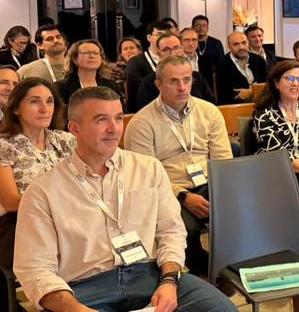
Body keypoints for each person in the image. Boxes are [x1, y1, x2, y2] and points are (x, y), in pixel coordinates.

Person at [13, 86, 237, 312]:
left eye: (118, 118)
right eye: (101, 120)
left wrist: (169, 281)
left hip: (149, 275)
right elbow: (35, 268)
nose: (114, 129)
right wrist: (76, 309)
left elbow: (171, 231)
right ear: (74, 128)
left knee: (222, 309)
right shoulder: (43, 191)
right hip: (82, 288)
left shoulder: (148, 168)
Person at [124, 56, 233, 278]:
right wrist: (182, 196)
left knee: (239, 210)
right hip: (168, 190)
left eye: (187, 79)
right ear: (158, 84)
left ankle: (230, 266)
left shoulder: (209, 111)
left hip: (210, 182)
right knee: (185, 226)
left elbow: (223, 159)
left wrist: (222, 192)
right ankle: (200, 272)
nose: (183, 87)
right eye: (174, 81)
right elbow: (145, 177)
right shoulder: (142, 123)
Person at [0, 78, 74, 268]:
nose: (44, 108)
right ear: (16, 109)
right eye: (34, 101)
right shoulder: (4, 146)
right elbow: (10, 202)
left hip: (71, 216)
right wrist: (58, 205)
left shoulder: (66, 140)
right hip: (22, 222)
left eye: (49, 101)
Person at [252, 60, 299, 206]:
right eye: (289, 79)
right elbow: (278, 152)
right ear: (276, 83)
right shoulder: (264, 115)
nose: (295, 83)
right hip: (278, 171)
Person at [137, 33, 215, 107]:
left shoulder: (198, 77)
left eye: (176, 48)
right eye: (166, 49)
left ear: (182, 49)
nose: (172, 53)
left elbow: (212, 106)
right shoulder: (148, 83)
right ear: (159, 53)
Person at [55, 40, 124, 106]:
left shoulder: (111, 86)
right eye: (86, 53)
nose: (92, 56)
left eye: (96, 53)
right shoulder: (61, 88)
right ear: (75, 59)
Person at [125, 20, 174, 112]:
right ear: (149, 37)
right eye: (159, 34)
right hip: (142, 111)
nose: (163, 38)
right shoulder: (135, 62)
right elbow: (140, 90)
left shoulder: (173, 61)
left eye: (166, 35)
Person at [215, 32, 267, 105]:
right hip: (237, 107)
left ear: (248, 43)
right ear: (229, 47)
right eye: (236, 44)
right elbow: (230, 95)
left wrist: (251, 91)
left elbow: (268, 85)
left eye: (244, 43)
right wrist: (256, 90)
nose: (241, 47)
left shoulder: (259, 60)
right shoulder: (222, 65)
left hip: (262, 104)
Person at [191, 14, 225, 81]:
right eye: (198, 25)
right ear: (192, 27)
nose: (201, 28)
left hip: (212, 81)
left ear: (208, 28)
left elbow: (221, 65)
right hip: (193, 79)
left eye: (204, 25)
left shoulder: (216, 43)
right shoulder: (189, 43)